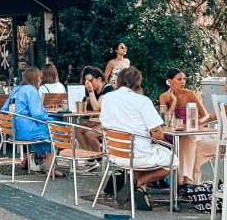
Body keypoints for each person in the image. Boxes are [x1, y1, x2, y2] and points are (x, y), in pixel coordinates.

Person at [100, 66, 177, 210]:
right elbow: (158, 134)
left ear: (118, 81)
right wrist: (152, 138)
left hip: (114, 154)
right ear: (138, 83)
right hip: (136, 155)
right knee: (173, 161)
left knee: (142, 150)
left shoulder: (107, 98)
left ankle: (141, 192)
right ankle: (137, 182)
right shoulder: (142, 100)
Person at [158, 68, 217, 188]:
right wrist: (174, 101)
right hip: (171, 135)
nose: (183, 81)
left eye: (184, 79)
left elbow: (205, 116)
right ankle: (187, 181)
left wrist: (193, 124)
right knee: (188, 139)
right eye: (179, 79)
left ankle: (185, 181)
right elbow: (164, 120)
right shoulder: (164, 96)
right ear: (170, 81)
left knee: (188, 138)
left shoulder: (190, 94)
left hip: (190, 133)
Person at [1, 67, 57, 173]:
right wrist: (47, 115)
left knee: (47, 131)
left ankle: (41, 162)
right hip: (27, 131)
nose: (41, 79)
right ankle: (50, 169)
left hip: (14, 131)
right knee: (55, 130)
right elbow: (37, 114)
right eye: (40, 77)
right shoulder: (31, 90)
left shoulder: (16, 89)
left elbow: (4, 109)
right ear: (35, 78)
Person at [75, 66, 111, 153]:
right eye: (86, 82)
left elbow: (97, 108)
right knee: (76, 129)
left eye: (91, 81)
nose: (89, 84)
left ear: (99, 79)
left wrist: (90, 91)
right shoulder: (94, 90)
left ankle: (98, 158)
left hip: (110, 123)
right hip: (97, 121)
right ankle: (90, 157)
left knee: (89, 134)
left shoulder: (108, 89)